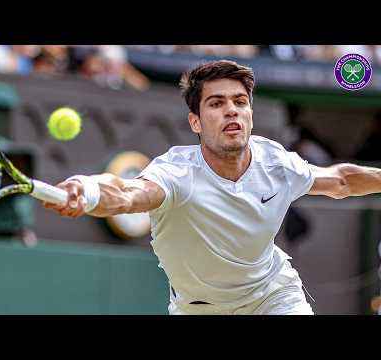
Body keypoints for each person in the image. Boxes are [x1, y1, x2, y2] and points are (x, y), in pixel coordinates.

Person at [43, 60, 381, 315]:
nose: (231, 110)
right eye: (216, 103)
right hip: (198, 308)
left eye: (239, 101)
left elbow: (341, 180)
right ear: (196, 122)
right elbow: (127, 194)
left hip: (273, 296)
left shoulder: (276, 162)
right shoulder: (175, 173)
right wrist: (86, 190)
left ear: (250, 113)